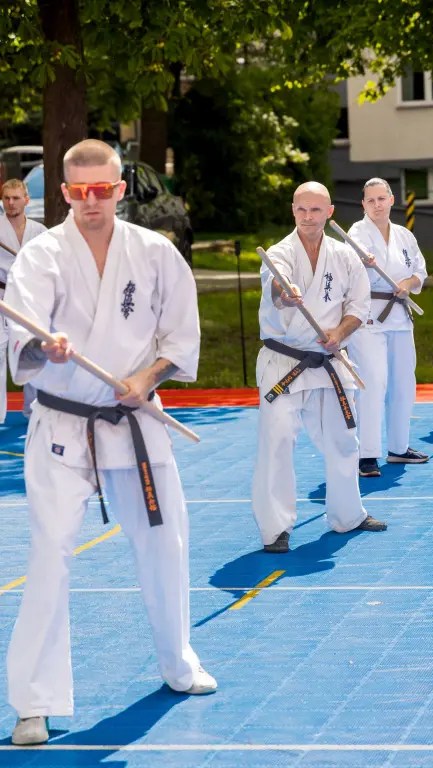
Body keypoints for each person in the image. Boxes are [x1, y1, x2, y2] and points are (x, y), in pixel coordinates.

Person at [4, 139, 216, 747]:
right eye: (79, 191)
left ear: (120, 190)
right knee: (50, 554)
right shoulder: (42, 254)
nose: (91, 200)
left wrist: (145, 379)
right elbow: (22, 337)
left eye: (102, 189)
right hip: (62, 426)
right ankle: (34, 702)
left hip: (135, 420)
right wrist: (45, 348)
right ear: (64, 193)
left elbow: (180, 337)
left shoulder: (154, 252)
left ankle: (178, 661)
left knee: (165, 541)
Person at [252, 181, 387, 554]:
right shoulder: (280, 252)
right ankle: (275, 528)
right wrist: (285, 292)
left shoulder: (344, 256)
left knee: (343, 439)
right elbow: (276, 282)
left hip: (328, 360)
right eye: (301, 209)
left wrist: (338, 334)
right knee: (277, 440)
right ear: (293, 210)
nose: (308, 217)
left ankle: (348, 515)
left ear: (329, 212)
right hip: (285, 361)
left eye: (315, 210)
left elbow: (358, 307)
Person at [346, 178, 429, 478]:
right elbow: (348, 269)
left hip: (400, 318)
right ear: (363, 205)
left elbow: (420, 271)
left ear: (392, 200)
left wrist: (408, 282)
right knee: (373, 383)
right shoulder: (357, 234)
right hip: (369, 318)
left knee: (404, 382)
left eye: (382, 198)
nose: (377, 205)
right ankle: (367, 454)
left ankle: (398, 446)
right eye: (371, 200)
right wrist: (363, 262)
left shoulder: (404, 235)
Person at [0, 178, 46, 421]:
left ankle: (33, 409)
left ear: (26, 200)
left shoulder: (39, 232)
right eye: (6, 198)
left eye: (16, 198)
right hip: (1, 297)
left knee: (31, 352)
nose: (11, 203)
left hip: (28, 300)